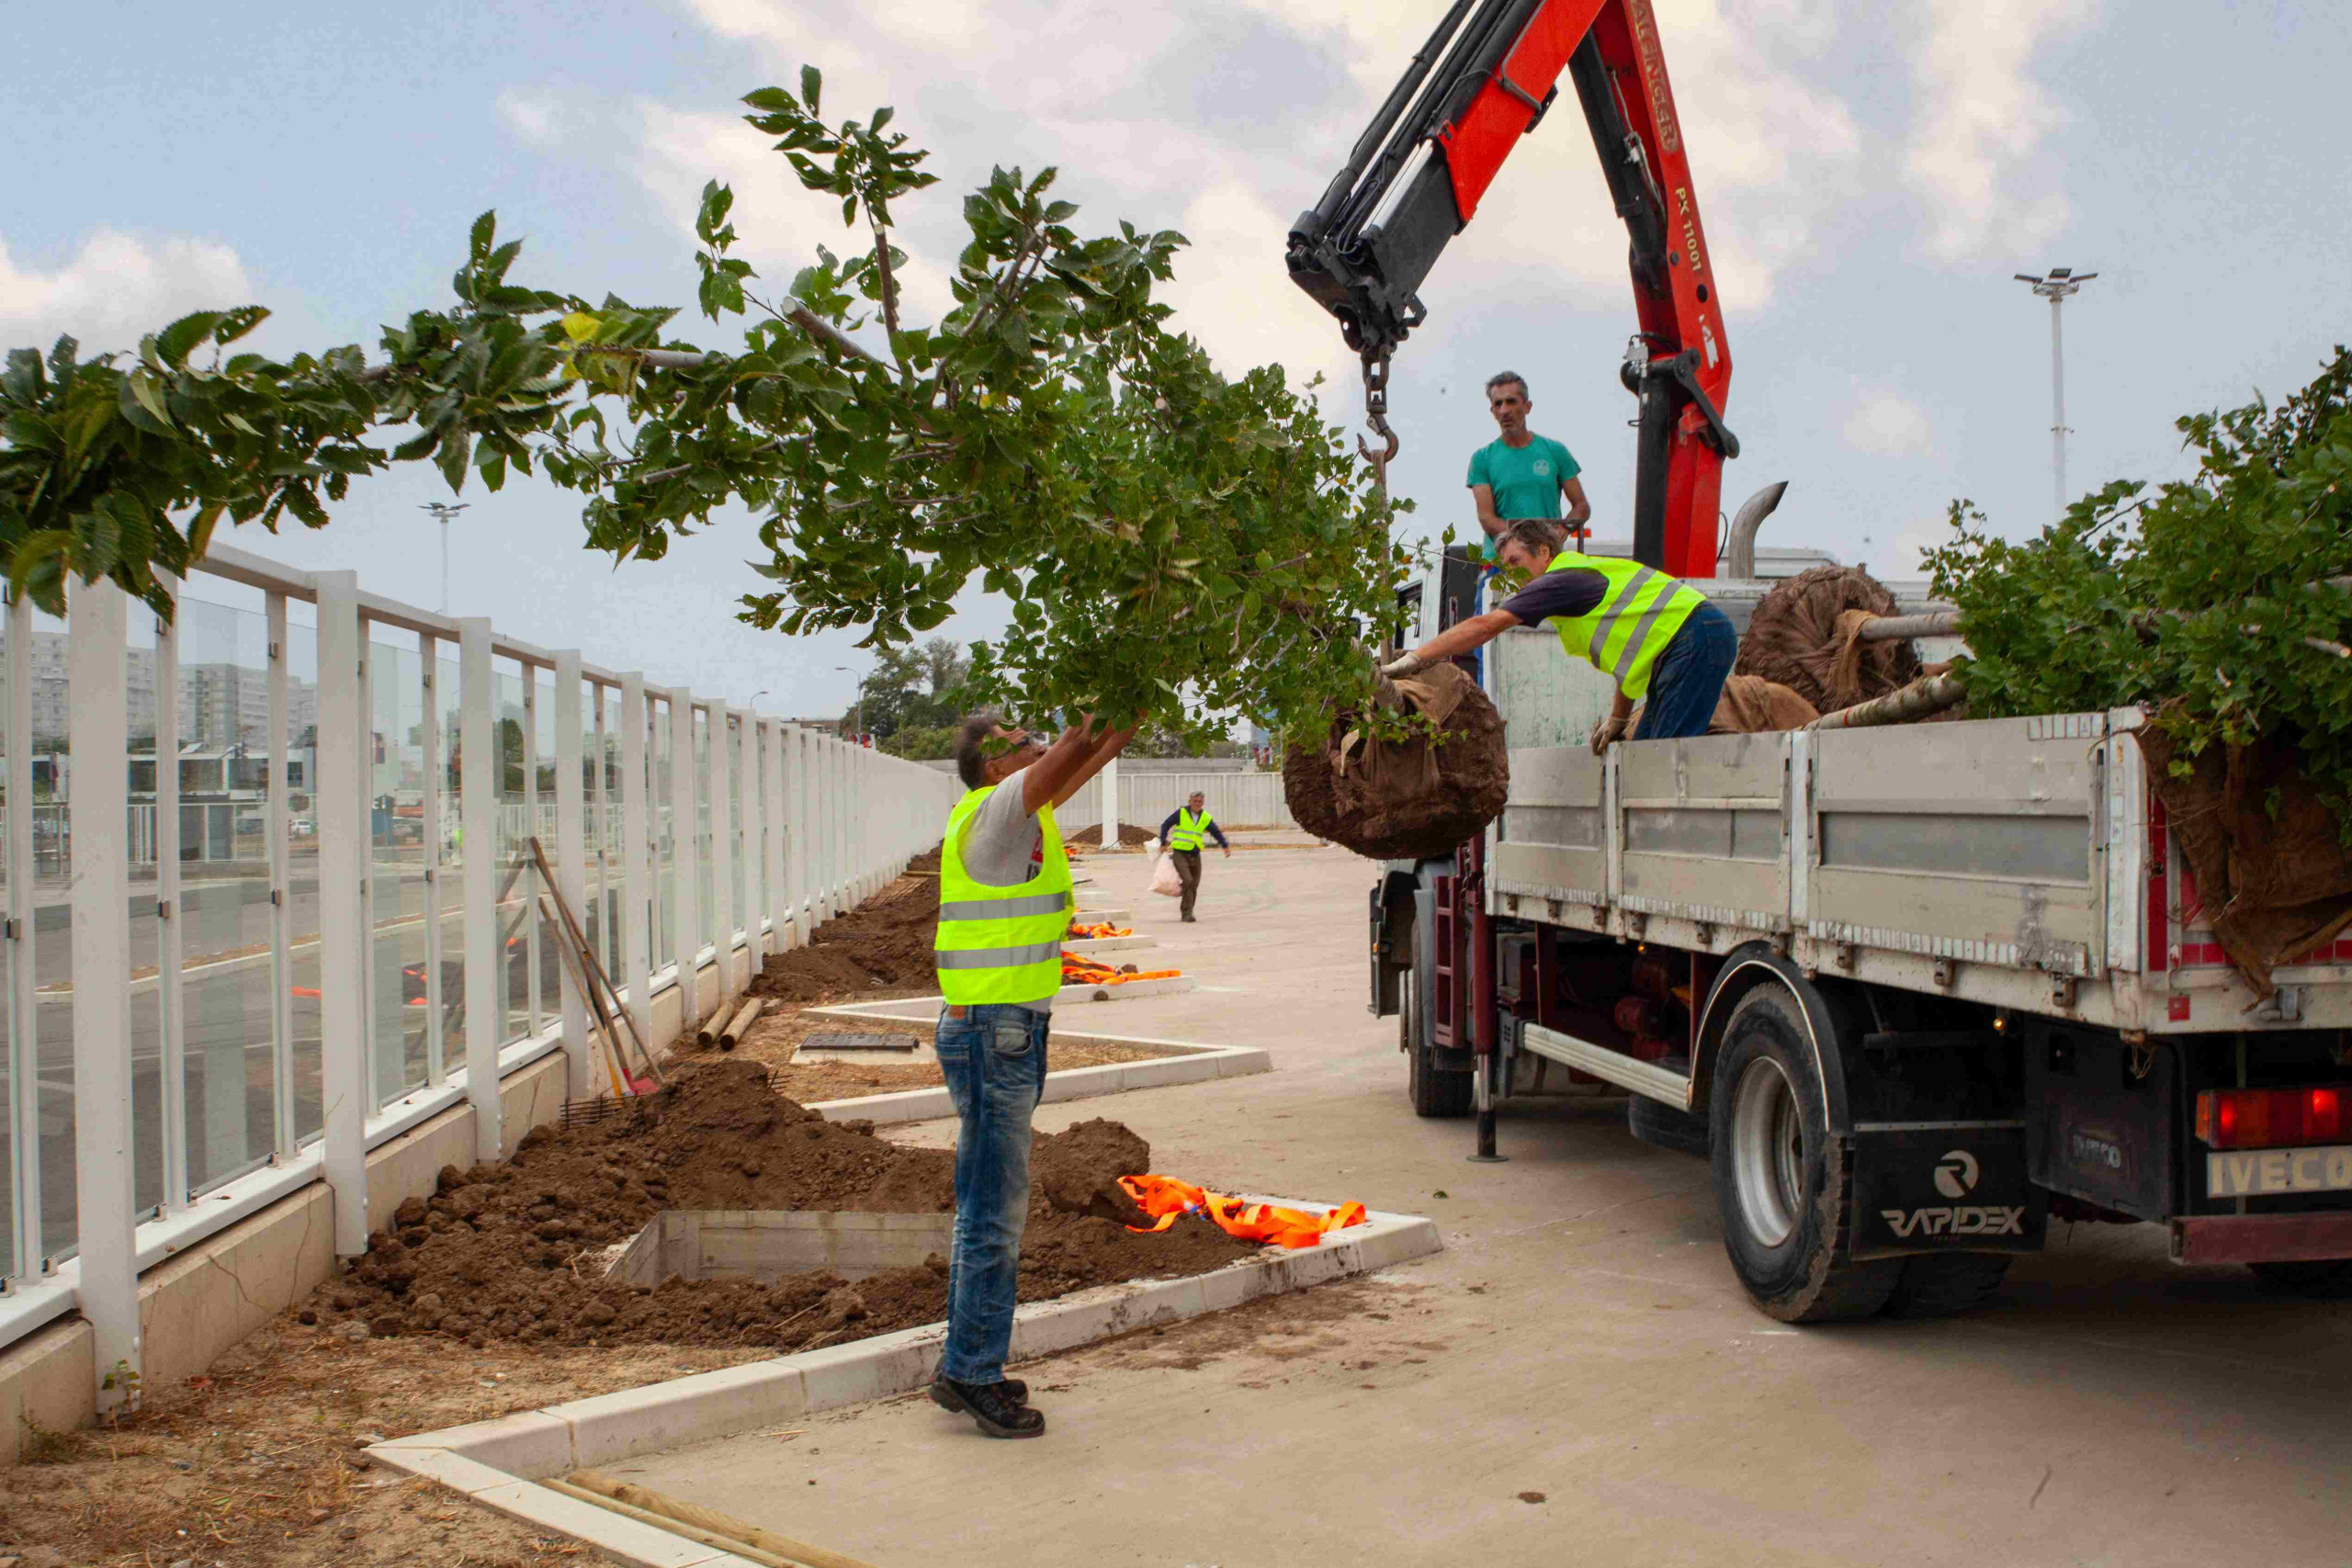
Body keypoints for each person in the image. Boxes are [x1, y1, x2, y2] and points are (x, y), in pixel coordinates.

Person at [928, 710, 1133, 1438]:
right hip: (994, 1032)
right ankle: (971, 1371)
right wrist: (1092, 717)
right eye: (1024, 743)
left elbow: (1089, 755)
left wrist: (1131, 703)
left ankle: (967, 1357)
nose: (1041, 749)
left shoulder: (1018, 815)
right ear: (995, 766)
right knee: (994, 1211)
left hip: (1003, 1028)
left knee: (986, 1204)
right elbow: (1075, 746)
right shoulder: (996, 815)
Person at [1382, 518, 1736, 751]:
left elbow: (1484, 625)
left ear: (1544, 552)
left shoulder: (1562, 580)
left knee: (1659, 759)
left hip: (1696, 639)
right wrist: (1617, 719)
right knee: (1641, 753)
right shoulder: (1575, 585)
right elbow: (1626, 666)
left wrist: (1417, 657)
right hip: (1687, 643)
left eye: (1516, 563)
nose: (1512, 576)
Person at [1467, 371, 1592, 558]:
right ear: (1492, 411)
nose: (1504, 410)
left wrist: (1562, 529)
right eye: (1498, 404)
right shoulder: (1482, 458)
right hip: (1501, 565)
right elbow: (1487, 518)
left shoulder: (1554, 451)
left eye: (1511, 401)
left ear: (1527, 406)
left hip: (1547, 561)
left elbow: (1581, 506)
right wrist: (1527, 542)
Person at [1156, 791, 1231, 923]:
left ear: (1203, 803)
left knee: (1194, 884)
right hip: (1179, 853)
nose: (1197, 804)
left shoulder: (1205, 817)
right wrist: (1162, 841)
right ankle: (1186, 913)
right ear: (1190, 801)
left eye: (1199, 802)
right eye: (1194, 801)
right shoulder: (1181, 813)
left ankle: (1188, 909)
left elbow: (1216, 832)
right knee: (1188, 881)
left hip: (1195, 854)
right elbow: (1165, 825)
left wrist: (1225, 846)